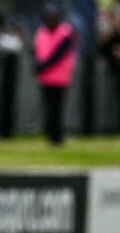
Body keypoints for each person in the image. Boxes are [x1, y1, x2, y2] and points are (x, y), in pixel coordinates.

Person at [33, 4, 76, 145]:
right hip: (45, 78)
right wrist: (38, 66)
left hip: (60, 78)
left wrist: (41, 67)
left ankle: (57, 137)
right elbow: (36, 50)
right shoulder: (41, 32)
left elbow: (58, 55)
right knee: (48, 108)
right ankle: (50, 134)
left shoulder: (66, 32)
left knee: (57, 109)